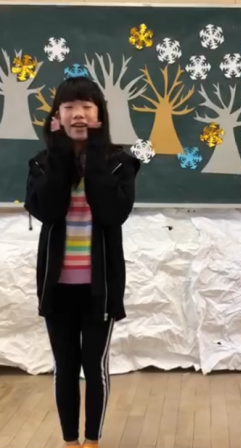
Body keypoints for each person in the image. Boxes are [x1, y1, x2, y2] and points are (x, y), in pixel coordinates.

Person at [24, 76, 140, 448]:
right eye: (70, 107)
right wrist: (61, 154)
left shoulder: (119, 163)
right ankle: (70, 441)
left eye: (87, 106)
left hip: (98, 289)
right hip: (57, 288)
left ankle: (92, 441)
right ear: (56, 116)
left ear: (99, 114)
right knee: (65, 368)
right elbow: (50, 209)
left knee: (94, 367)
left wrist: (94, 152)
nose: (78, 114)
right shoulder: (42, 163)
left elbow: (111, 213)